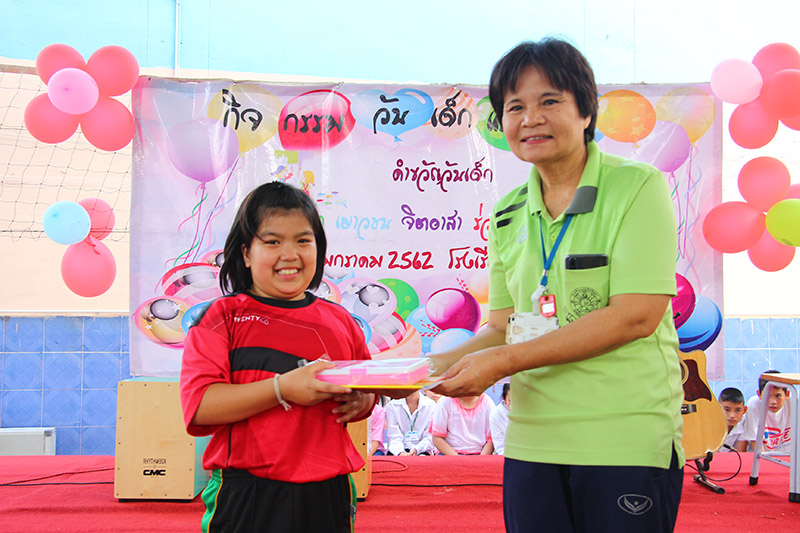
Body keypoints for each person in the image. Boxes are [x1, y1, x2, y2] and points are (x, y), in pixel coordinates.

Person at [427, 37, 684, 532]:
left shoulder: (638, 187)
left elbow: (636, 316)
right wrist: (416, 372)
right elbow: (501, 328)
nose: (531, 119)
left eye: (549, 101)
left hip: (624, 435)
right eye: (515, 107)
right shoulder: (506, 213)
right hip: (531, 439)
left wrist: (503, 362)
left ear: (586, 111)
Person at [180, 182, 376, 533]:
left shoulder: (341, 321)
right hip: (248, 491)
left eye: (303, 241)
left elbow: (366, 386)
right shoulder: (220, 318)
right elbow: (199, 409)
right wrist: (282, 389)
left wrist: (365, 400)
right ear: (246, 253)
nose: (290, 254)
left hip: (329, 491)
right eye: (272, 242)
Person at [738, 370, 792, 453]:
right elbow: (756, 442)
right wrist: (764, 461)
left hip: (790, 457)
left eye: (778, 396)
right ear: (759, 394)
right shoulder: (753, 405)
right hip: (764, 456)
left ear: (787, 394)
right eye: (767, 395)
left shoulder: (794, 402)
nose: (773, 401)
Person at [385, 389, 436, 456]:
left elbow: (429, 437)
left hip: (422, 450)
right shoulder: (392, 405)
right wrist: (401, 452)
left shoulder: (431, 405)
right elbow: (393, 437)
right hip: (398, 451)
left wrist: (417, 449)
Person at [718, 387, 747, 451]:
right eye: (727, 410)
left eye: (737, 410)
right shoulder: (710, 426)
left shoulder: (744, 425)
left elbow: (740, 453)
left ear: (744, 410)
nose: (732, 416)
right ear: (718, 408)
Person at [490, 383, 511, 455]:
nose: (515, 404)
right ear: (504, 399)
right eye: (510, 400)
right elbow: (500, 447)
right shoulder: (496, 414)